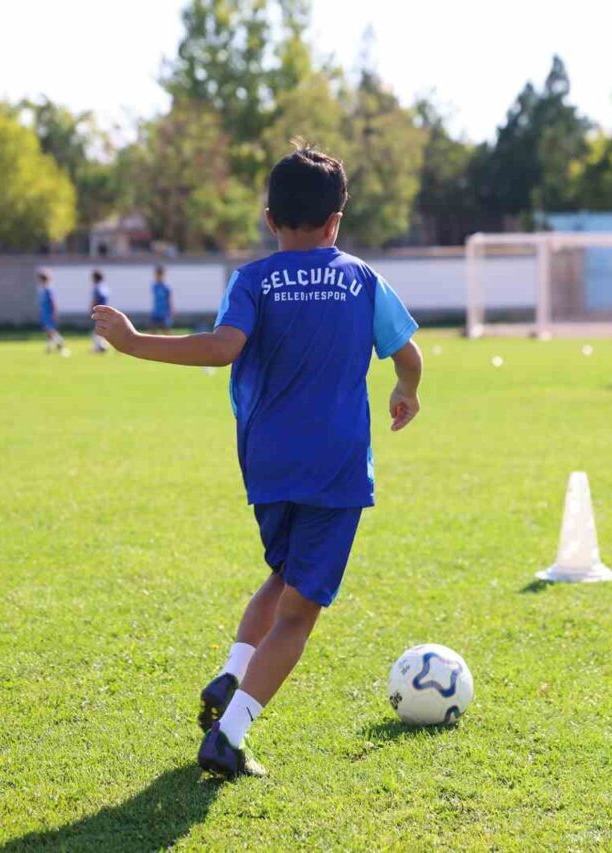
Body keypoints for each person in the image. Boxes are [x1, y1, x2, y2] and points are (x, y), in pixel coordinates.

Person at [91, 144, 423, 780]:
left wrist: (133, 343)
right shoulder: (360, 279)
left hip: (267, 465)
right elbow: (407, 355)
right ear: (337, 220)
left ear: (270, 219)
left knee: (282, 577)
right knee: (299, 611)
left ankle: (231, 675)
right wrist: (406, 391)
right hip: (336, 469)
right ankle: (230, 735)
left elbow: (222, 349)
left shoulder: (252, 281)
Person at [36, 269, 65, 355]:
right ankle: (49, 348)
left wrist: (54, 313)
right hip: (44, 314)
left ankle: (61, 343)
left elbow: (53, 302)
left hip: (49, 313)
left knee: (51, 331)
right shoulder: (42, 290)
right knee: (48, 332)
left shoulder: (49, 290)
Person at [90, 270, 111, 353]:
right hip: (105, 311)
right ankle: (102, 346)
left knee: (98, 329)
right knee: (102, 329)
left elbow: (95, 300)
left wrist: (92, 309)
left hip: (99, 311)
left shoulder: (97, 288)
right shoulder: (104, 287)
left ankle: (99, 347)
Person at [149, 265, 173, 333]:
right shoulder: (154, 286)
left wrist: (171, 310)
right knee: (152, 328)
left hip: (164, 312)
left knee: (166, 329)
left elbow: (169, 299)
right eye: (156, 275)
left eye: (159, 275)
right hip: (156, 311)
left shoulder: (166, 287)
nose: (157, 277)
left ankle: (170, 342)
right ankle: (151, 343)